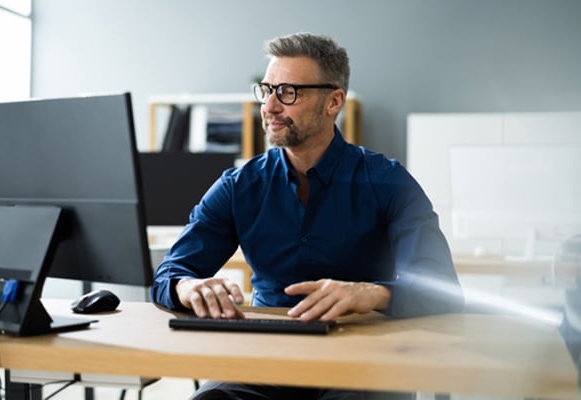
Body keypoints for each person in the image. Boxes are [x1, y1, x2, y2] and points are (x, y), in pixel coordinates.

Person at [150, 32, 465, 400]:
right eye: (267, 90)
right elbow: (169, 274)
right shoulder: (239, 186)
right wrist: (188, 286)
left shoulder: (388, 181)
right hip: (266, 360)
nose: (269, 106)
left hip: (363, 358)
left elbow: (442, 291)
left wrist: (373, 294)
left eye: (288, 92)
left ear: (333, 101)